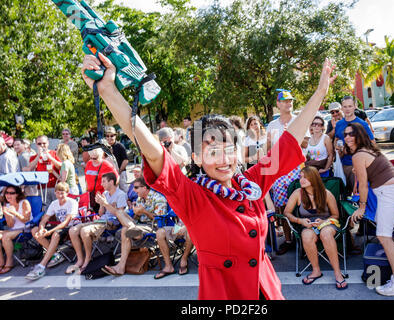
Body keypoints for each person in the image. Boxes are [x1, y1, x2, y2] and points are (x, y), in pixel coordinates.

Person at [81, 51, 335, 299]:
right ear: (197, 159)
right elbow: (154, 151)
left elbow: (289, 140)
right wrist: (107, 90)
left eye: (229, 149)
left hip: (266, 289)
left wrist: (320, 92)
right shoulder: (191, 195)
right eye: (213, 151)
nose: (224, 160)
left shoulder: (251, 182)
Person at [346, 122, 394, 296]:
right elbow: (369, 173)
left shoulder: (359, 155)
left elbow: (364, 187)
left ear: (359, 135)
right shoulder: (368, 150)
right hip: (393, 190)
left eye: (351, 134)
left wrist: (362, 207)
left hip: (389, 192)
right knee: (384, 236)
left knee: (384, 236)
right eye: (345, 134)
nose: (347, 137)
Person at [283, 166, 347, 290]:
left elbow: (335, 215)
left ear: (314, 179)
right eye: (301, 177)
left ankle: (338, 273)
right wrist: (299, 220)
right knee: (306, 236)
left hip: (327, 222)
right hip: (307, 224)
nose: (301, 180)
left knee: (326, 234)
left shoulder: (326, 194)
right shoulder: (298, 194)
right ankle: (316, 270)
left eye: (305, 177)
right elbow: (287, 213)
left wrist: (324, 221)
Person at [97, 176, 169, 276]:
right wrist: (136, 213)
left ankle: (120, 267)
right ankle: (120, 267)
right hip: (139, 226)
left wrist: (144, 212)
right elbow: (136, 217)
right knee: (120, 213)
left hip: (153, 227)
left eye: (136, 187)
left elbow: (160, 219)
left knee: (125, 230)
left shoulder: (159, 198)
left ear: (144, 188)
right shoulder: (140, 199)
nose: (134, 190)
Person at [266, 90, 305, 256]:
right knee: (282, 207)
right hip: (280, 171)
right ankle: (288, 240)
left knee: (300, 204)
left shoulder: (299, 121)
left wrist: (292, 134)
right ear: (278, 104)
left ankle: (303, 239)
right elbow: (268, 148)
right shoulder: (272, 125)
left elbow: (305, 144)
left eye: (290, 101)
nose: (288, 104)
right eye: (285, 101)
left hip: (296, 169)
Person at [65, 172, 126, 274]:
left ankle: (88, 259)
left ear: (111, 182)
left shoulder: (121, 195)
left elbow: (120, 215)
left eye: (104, 182)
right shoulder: (105, 194)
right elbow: (101, 213)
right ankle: (80, 260)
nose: (101, 184)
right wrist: (101, 205)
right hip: (101, 220)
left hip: (112, 223)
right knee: (73, 230)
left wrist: (105, 204)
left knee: (84, 231)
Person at [25, 182, 79, 280]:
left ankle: (41, 266)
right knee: (35, 230)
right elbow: (44, 219)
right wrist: (41, 229)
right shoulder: (54, 203)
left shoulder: (72, 202)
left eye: (62, 193)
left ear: (67, 193)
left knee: (55, 234)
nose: (60, 195)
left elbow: (66, 222)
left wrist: (49, 232)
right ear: (55, 193)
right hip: (59, 227)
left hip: (71, 228)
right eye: (58, 193)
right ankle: (56, 254)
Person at [334, 96, 375, 194]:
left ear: (355, 107)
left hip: (357, 165)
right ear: (342, 108)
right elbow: (336, 139)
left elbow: (372, 143)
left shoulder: (362, 124)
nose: (347, 109)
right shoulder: (339, 124)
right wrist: (336, 146)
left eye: (350, 106)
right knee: (344, 195)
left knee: (359, 193)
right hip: (342, 165)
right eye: (345, 106)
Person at [0, 186, 31, 274]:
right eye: (6, 193)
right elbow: (11, 225)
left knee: (6, 237)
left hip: (26, 229)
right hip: (13, 230)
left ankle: (9, 261)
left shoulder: (24, 202)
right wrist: (8, 214)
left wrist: (14, 213)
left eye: (11, 193)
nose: (8, 195)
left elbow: (26, 220)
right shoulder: (7, 205)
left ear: (17, 194)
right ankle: (1, 261)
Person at [25, 135, 62, 207]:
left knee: (58, 208)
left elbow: (61, 166)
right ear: (36, 144)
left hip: (55, 186)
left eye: (44, 143)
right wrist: (38, 155)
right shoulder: (33, 157)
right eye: (39, 144)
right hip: (42, 188)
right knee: (46, 210)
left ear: (48, 143)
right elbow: (30, 168)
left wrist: (50, 158)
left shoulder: (54, 153)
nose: (42, 145)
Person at [84, 146, 118, 212]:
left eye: (96, 157)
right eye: (92, 157)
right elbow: (87, 179)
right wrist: (86, 192)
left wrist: (109, 193)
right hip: (92, 196)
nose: (94, 159)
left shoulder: (107, 165)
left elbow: (116, 179)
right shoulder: (89, 163)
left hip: (102, 197)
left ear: (101, 154)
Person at [105, 126, 129, 192]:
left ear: (115, 136)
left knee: (123, 190)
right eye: (107, 136)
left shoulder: (120, 146)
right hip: (109, 174)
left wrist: (119, 171)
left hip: (120, 172)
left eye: (112, 135)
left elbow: (126, 160)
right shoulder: (104, 147)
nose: (109, 138)